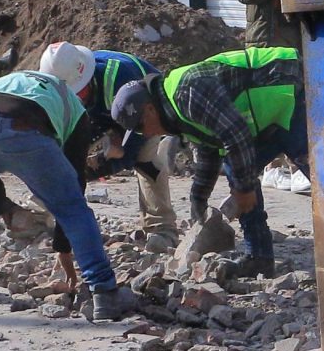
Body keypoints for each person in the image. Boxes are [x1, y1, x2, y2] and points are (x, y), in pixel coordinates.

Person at [0, 41, 130, 317]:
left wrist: (3, 206)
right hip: (24, 127)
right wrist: (63, 249)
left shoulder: (14, 79)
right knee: (72, 208)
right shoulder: (73, 107)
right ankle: (104, 293)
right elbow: (73, 189)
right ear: (78, 81)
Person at [0, 43, 180, 286]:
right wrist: (78, 166)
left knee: (147, 160)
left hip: (141, 112)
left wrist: (101, 166)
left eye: (78, 93)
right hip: (97, 113)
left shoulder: (123, 76)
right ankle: (38, 212)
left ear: (86, 78)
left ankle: (162, 228)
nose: (73, 98)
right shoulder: (61, 83)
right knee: (60, 159)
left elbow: (130, 151)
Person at [109, 45, 307, 277]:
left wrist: (244, 189)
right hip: (272, 113)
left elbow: (235, 135)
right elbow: (210, 148)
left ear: (150, 109)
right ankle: (259, 258)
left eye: (141, 127)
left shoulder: (186, 92)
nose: (147, 134)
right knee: (237, 168)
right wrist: (198, 199)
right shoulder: (176, 112)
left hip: (292, 88)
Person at [233, 0, 314, 194]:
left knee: (299, 101)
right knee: (275, 105)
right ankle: (274, 167)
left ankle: (296, 166)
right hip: (267, 38)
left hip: (297, 33)